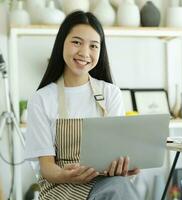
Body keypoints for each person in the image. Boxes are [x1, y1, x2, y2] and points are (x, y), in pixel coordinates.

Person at [24, 11, 140, 200]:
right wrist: (66, 175)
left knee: (119, 186)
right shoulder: (41, 99)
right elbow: (47, 168)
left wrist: (123, 166)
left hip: (105, 184)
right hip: (60, 187)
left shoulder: (111, 94)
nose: (85, 53)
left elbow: (117, 152)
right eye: (76, 42)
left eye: (93, 46)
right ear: (62, 42)